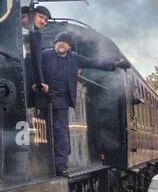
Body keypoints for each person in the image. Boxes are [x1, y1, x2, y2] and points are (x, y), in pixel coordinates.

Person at [40, 31, 130, 176]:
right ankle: (44, 162)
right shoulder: (45, 55)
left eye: (65, 42)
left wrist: (115, 64)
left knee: (61, 132)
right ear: (55, 43)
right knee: (47, 130)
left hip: (62, 99)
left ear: (69, 46)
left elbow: (93, 62)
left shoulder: (74, 58)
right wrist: (40, 83)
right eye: (59, 41)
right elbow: (34, 67)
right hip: (44, 96)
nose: (61, 44)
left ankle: (60, 166)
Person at [28, 4, 52, 95]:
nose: (43, 22)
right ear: (32, 15)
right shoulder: (34, 34)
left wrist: (40, 82)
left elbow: (36, 60)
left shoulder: (36, 33)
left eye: (45, 20)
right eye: (41, 17)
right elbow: (36, 61)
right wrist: (40, 82)